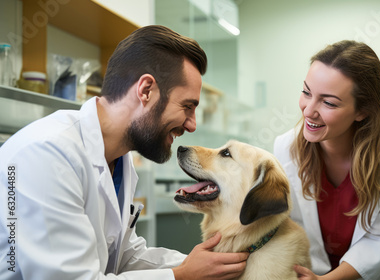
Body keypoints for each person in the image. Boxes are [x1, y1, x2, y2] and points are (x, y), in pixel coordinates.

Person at [0, 25, 248, 280]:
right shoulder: (47, 155)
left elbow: (125, 255)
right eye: (187, 106)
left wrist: (202, 265)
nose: (192, 124)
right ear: (146, 90)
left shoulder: (119, 159)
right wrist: (180, 275)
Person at [274, 40, 380, 280]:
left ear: (363, 111)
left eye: (328, 102)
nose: (309, 110)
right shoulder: (285, 148)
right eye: (306, 92)